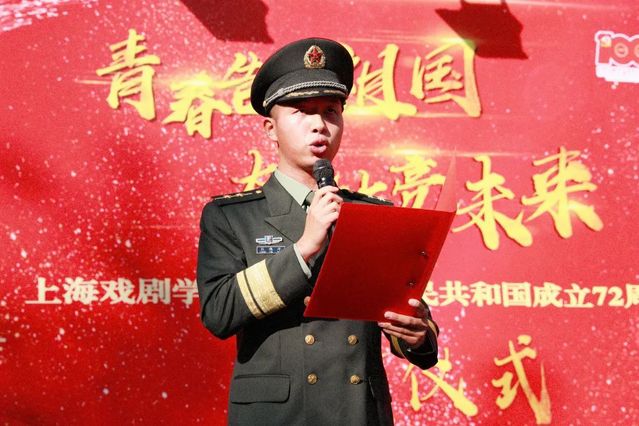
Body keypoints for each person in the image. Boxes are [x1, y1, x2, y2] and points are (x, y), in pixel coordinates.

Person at [197, 37, 440, 426]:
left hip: (357, 412)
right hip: (280, 417)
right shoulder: (232, 217)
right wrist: (304, 249)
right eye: (302, 111)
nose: (319, 125)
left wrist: (417, 334)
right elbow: (218, 313)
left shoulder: (372, 215)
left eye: (330, 111)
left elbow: (405, 318)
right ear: (270, 128)